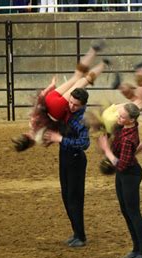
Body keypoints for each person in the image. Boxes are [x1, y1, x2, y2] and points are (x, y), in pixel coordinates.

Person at [12, 41, 108, 152]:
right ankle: (93, 50)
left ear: (29, 146)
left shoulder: (43, 140)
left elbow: (59, 131)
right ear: (24, 134)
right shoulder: (32, 122)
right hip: (49, 99)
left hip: (56, 111)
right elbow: (39, 101)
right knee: (76, 76)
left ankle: (104, 64)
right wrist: (50, 86)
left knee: (83, 81)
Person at [98, 103, 142, 258]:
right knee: (126, 211)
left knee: (133, 212)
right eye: (119, 115)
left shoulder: (129, 138)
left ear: (131, 120)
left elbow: (121, 164)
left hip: (130, 174)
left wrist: (106, 150)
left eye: (122, 116)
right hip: (123, 175)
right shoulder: (125, 128)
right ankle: (137, 248)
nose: (118, 118)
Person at [43, 88, 90, 247]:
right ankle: (76, 232)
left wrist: (61, 139)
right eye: (70, 102)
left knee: (74, 197)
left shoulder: (83, 119)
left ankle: (81, 236)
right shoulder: (68, 113)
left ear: (83, 105)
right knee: (66, 196)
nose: (71, 106)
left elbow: (84, 144)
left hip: (75, 160)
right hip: (65, 157)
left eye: (75, 105)